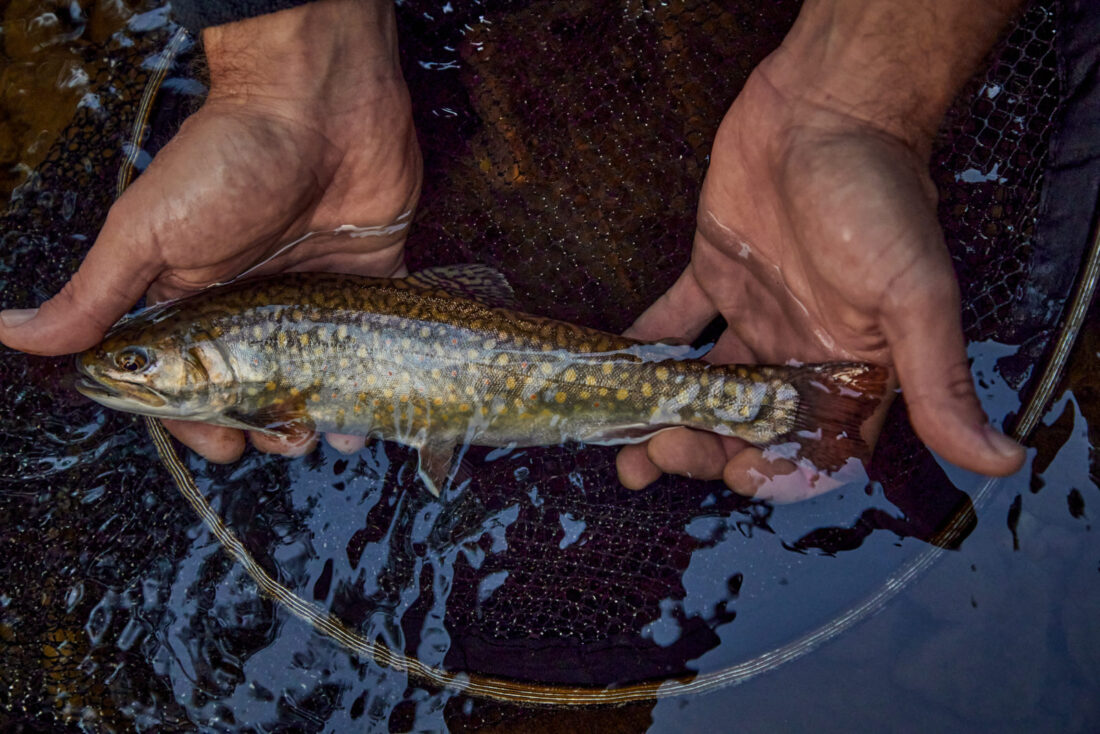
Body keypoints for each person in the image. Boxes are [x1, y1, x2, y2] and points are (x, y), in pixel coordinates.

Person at [0, 0, 1027, 502]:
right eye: (139, 362)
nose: (124, 370)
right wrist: (289, 62)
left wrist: (869, 96)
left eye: (142, 361)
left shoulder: (248, 371)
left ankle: (775, 402)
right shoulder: (241, 357)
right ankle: (782, 402)